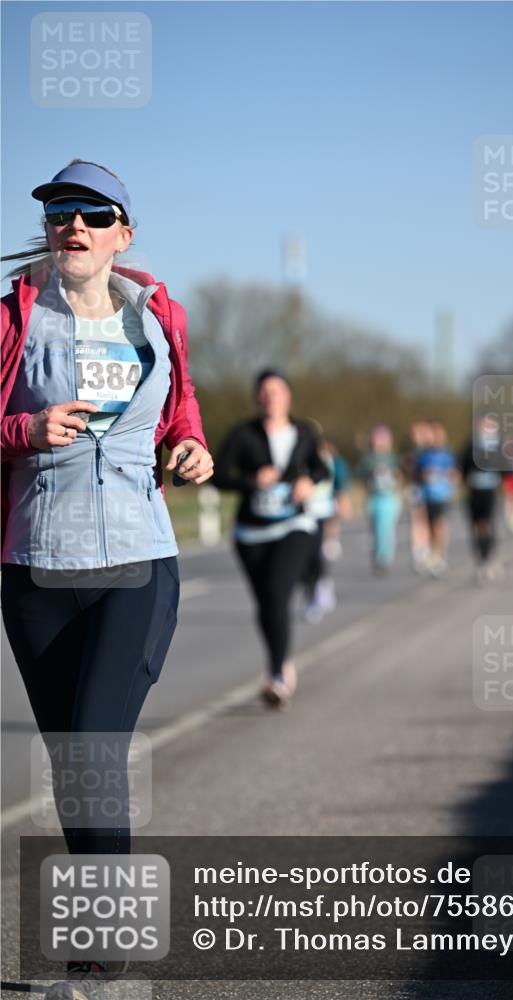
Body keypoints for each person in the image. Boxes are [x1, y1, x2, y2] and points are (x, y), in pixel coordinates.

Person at [0, 160, 213, 995]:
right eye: (60, 213)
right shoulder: (16, 318)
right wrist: (23, 429)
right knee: (68, 760)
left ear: (124, 234)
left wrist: (188, 445)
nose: (73, 226)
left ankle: (101, 940)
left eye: (93, 214)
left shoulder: (157, 314)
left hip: (137, 560)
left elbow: (182, 404)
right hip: (37, 565)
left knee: (94, 746)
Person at [211, 369, 330, 707]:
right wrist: (251, 480)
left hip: (293, 525)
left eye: (277, 390)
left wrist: (308, 480)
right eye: (264, 391)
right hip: (251, 532)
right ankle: (279, 660)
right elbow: (217, 476)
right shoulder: (243, 433)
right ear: (257, 398)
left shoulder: (304, 432)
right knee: (266, 603)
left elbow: (323, 468)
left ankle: (277, 675)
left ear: (288, 396)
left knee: (278, 593)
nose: (271, 396)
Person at [301, 437, 350, 623]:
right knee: (301, 560)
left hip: (321, 513)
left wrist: (342, 502)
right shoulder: (297, 460)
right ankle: (311, 591)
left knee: (316, 555)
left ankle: (320, 588)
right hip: (299, 516)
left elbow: (337, 484)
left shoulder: (328, 462)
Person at [459, 414, 503, 584]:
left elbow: (506, 468)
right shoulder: (471, 444)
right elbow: (463, 466)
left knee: (487, 524)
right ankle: (480, 558)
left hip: (490, 491)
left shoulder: (498, 445)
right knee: (476, 526)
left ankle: (489, 556)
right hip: (473, 491)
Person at [357, 424, 403, 574]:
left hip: (389, 497)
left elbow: (402, 476)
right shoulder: (368, 459)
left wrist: (394, 475)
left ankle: (385, 558)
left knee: (386, 527)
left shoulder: (394, 458)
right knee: (375, 529)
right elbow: (360, 476)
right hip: (373, 496)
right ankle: (377, 555)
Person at [413, 421, 457, 575]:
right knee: (428, 526)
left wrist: (448, 478)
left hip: (442, 495)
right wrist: (423, 475)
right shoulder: (423, 455)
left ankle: (439, 555)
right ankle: (431, 552)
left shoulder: (447, 454)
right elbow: (416, 474)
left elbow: (454, 473)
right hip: (427, 494)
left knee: (439, 525)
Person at [402, 419, 433, 574]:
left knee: (428, 520)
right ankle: (418, 551)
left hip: (429, 489)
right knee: (416, 519)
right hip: (415, 487)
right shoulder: (411, 450)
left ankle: (427, 548)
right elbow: (404, 468)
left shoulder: (431, 449)